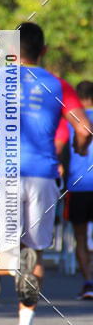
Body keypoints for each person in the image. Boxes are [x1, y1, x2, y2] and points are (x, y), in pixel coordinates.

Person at [0, 23, 91, 325]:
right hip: (43, 178)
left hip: (2, 174)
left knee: (4, 255)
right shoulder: (59, 85)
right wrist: (78, 147)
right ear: (43, 51)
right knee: (35, 251)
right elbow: (85, 129)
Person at [58, 81, 93, 299]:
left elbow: (59, 148)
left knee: (80, 237)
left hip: (78, 186)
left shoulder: (71, 120)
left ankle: (88, 283)